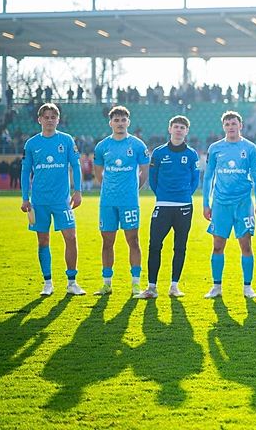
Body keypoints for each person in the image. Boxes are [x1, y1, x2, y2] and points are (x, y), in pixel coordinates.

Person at [20, 103, 86, 296]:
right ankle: (47, 282)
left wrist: (78, 191)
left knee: (71, 238)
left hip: (62, 201)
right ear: (39, 119)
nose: (49, 120)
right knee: (43, 240)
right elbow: (25, 172)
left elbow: (76, 165)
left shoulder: (66, 140)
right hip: (39, 201)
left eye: (53, 117)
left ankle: (72, 282)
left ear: (58, 120)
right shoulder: (31, 144)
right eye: (46, 117)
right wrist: (25, 198)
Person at [202, 110, 256, 299]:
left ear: (240, 125)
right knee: (218, 245)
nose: (231, 127)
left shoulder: (250, 148)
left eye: (234, 123)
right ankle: (216, 286)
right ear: (224, 127)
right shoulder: (215, 148)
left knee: (246, 245)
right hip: (221, 204)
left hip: (243, 203)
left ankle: (247, 287)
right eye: (227, 124)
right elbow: (208, 177)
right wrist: (206, 203)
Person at [136, 115, 200, 299]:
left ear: (186, 131)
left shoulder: (191, 154)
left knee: (180, 246)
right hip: (163, 205)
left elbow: (195, 180)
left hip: (184, 206)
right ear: (170, 129)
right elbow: (153, 179)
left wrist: (184, 195)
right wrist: (162, 196)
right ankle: (152, 287)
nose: (179, 130)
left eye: (182, 127)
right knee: (154, 244)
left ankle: (174, 286)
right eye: (176, 127)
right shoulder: (158, 152)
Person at [93, 106, 150, 296]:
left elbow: (144, 172)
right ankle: (107, 283)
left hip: (129, 202)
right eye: (116, 120)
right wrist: (110, 189)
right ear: (110, 123)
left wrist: (132, 190)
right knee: (107, 242)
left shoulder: (137, 145)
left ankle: (135, 284)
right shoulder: (102, 147)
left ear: (128, 122)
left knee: (133, 240)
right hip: (107, 202)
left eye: (123, 120)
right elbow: (98, 174)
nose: (120, 123)